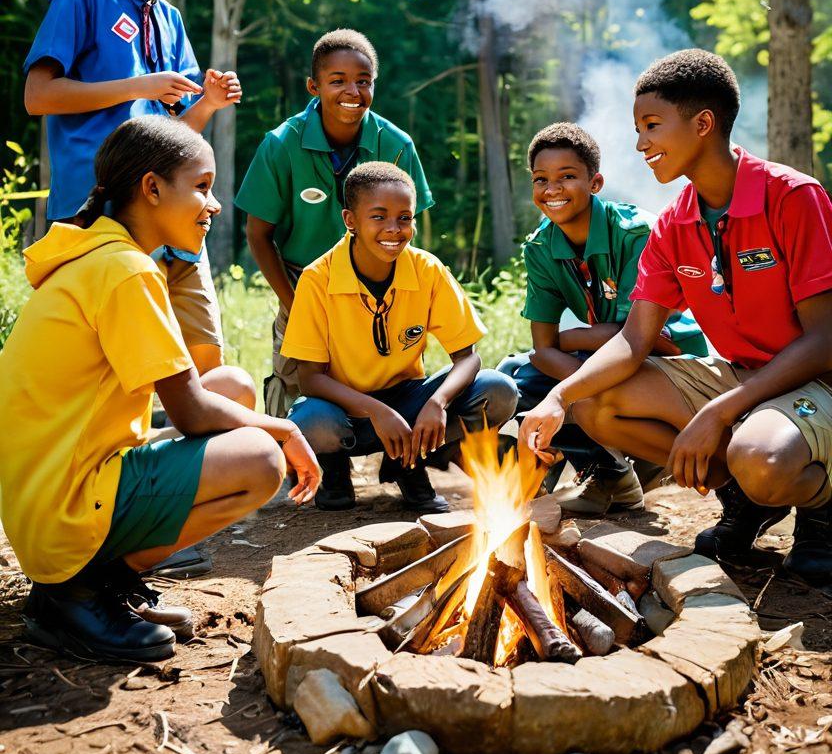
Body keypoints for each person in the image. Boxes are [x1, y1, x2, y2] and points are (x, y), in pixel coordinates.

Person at [0, 116, 321, 664]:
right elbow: (192, 413)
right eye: (201, 186)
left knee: (234, 387)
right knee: (262, 459)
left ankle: (89, 581)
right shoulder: (127, 271)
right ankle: (79, 593)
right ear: (151, 189)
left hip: (43, 489)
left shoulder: (101, 254)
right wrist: (285, 425)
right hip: (63, 506)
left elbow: (196, 394)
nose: (214, 203)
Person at [520, 50, 832, 585]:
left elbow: (826, 339)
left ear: (703, 124)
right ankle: (744, 500)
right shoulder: (674, 223)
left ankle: (822, 513)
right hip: (742, 375)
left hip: (816, 379)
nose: (640, 144)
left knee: (761, 457)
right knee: (596, 404)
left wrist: (717, 413)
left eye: (651, 126)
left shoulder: (792, 197)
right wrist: (558, 398)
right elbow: (633, 339)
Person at [24, 0, 239, 379]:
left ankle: (203, 456)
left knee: (203, 359)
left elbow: (177, 134)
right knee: (102, 363)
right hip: (98, 211)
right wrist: (140, 86)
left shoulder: (169, 16)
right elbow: (38, 96)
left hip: (173, 209)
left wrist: (206, 104)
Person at [281, 161, 518, 511]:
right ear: (350, 221)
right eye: (378, 217)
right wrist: (377, 411)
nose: (394, 229)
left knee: (497, 390)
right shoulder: (319, 278)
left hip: (408, 402)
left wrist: (436, 403)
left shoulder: (427, 270)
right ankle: (333, 469)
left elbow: (467, 357)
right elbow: (310, 379)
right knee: (310, 422)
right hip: (343, 408)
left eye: (404, 218)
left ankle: (408, 462)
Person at [498, 122, 706, 515]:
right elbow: (543, 350)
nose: (552, 189)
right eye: (541, 179)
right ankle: (606, 473)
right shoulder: (541, 247)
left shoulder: (636, 233)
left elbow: (641, 339)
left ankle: (637, 464)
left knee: (578, 383)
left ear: (595, 183)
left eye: (567, 177)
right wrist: (573, 365)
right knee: (515, 375)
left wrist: (573, 339)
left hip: (669, 358)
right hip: (613, 353)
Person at [236, 28, 433, 418]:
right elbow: (258, 234)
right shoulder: (280, 144)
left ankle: (394, 457)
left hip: (377, 282)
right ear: (313, 86)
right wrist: (293, 304)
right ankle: (295, 463)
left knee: (382, 373)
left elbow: (409, 230)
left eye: (363, 82)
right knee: (296, 380)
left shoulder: (397, 146)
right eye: (337, 81)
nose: (352, 92)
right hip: (301, 278)